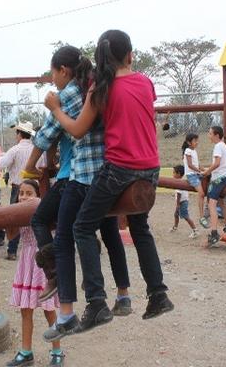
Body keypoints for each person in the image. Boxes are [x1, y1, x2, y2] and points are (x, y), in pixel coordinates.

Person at [44, 29, 173, 337]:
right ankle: (158, 295)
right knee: (140, 228)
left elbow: (77, 130)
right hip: (151, 167)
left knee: (82, 227)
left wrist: (56, 109)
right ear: (130, 55)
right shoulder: (146, 82)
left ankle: (97, 303)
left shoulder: (101, 89)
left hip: (119, 167)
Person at [25, 46, 132, 343]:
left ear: (63, 70)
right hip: (109, 174)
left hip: (83, 174)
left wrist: (30, 165)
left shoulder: (71, 93)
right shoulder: (94, 86)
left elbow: (50, 132)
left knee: (65, 238)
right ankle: (123, 296)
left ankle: (68, 313)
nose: (52, 81)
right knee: (110, 233)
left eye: (53, 74)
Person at [6, 179, 64, 367]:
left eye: (29, 193)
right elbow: (10, 235)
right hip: (25, 262)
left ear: (38, 196)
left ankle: (57, 352)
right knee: (26, 310)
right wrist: (10, 216)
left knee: (49, 309)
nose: (24, 197)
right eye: (21, 193)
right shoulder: (18, 211)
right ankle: (26, 352)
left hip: (42, 262)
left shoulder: (43, 211)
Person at [0, 122, 37, 261]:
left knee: (14, 218)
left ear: (19, 134)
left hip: (18, 187)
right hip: (34, 187)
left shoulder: (15, 149)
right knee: (36, 217)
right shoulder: (36, 149)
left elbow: (1, 164)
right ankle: (36, 248)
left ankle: (12, 250)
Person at [201, 126, 226, 247]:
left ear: (216, 135)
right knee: (221, 203)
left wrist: (207, 172)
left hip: (217, 179)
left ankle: (214, 232)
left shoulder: (218, 146)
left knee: (211, 205)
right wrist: (208, 169)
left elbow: (217, 163)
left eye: (210, 133)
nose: (208, 136)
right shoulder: (224, 145)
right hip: (224, 177)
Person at [182, 133, 208, 228]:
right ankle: (201, 217)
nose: (197, 142)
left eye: (197, 140)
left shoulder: (194, 151)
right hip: (191, 175)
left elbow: (197, 164)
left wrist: (205, 170)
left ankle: (208, 210)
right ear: (189, 142)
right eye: (195, 141)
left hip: (196, 173)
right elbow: (190, 165)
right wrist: (200, 172)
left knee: (209, 183)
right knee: (201, 193)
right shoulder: (188, 151)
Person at [170, 165, 198, 238]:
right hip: (182, 201)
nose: (172, 174)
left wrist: (177, 204)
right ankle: (175, 227)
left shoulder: (179, 183)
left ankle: (195, 230)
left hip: (182, 202)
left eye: (174, 173)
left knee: (186, 216)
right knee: (176, 214)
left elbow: (179, 194)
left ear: (178, 174)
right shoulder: (181, 181)